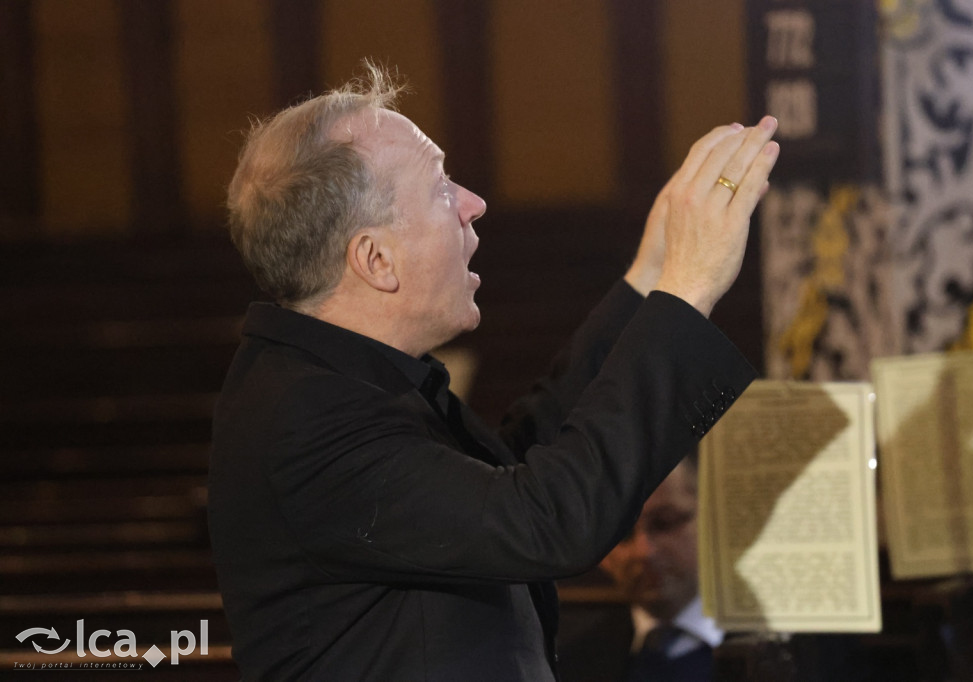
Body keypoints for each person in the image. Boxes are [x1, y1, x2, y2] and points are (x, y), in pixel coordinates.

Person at [208, 63, 779, 681]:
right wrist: (689, 290)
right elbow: (546, 519)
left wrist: (650, 276)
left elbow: (517, 471)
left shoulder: (331, 380)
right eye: (441, 187)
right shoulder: (306, 419)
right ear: (376, 259)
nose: (474, 204)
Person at [572, 457, 719, 682]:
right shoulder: (572, 657)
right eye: (622, 533)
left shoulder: (777, 648)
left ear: (712, 518)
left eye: (664, 522)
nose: (644, 551)